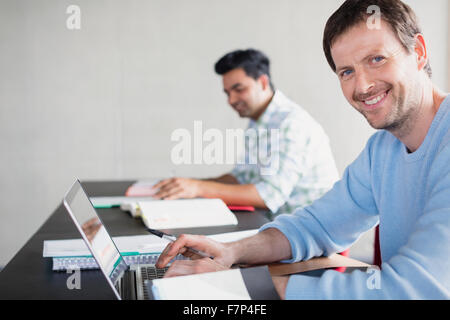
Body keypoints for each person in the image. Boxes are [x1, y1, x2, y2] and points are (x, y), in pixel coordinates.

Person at [155, 0, 450, 299]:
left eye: (376, 59)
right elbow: (317, 224)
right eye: (346, 71)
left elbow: (416, 289)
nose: (362, 86)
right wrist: (230, 251)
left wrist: (247, 285)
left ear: (419, 52)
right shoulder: (382, 149)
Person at [152, 49, 339, 217]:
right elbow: (241, 177)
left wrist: (198, 188)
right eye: (227, 93)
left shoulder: (291, 123)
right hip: (277, 225)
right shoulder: (258, 120)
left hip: (310, 233)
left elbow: (268, 196)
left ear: (263, 82)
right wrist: (187, 185)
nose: (231, 100)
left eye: (238, 89)